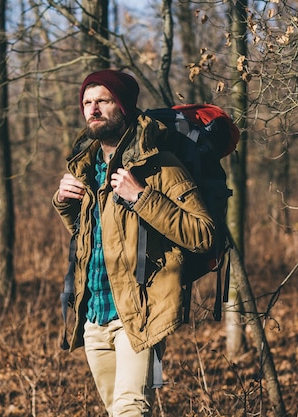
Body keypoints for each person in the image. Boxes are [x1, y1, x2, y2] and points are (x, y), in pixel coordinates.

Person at [53, 69, 215, 417]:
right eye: (87, 102)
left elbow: (204, 235)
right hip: (94, 320)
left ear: (123, 107)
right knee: (118, 411)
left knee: (130, 411)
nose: (93, 109)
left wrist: (141, 196)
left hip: (139, 316)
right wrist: (66, 205)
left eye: (103, 101)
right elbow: (93, 241)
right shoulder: (86, 170)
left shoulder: (160, 167)